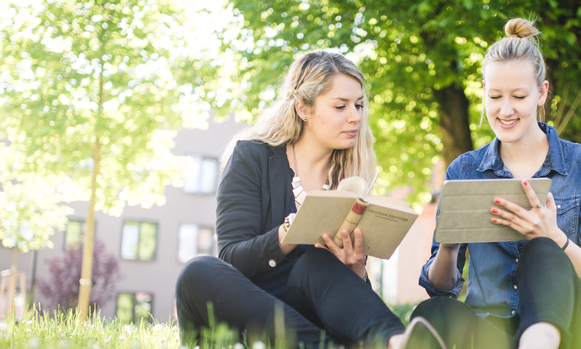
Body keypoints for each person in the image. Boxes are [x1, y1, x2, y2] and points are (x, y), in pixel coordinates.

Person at [175, 50, 444, 349]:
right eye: (341, 106)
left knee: (316, 262)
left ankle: (394, 341)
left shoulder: (351, 180)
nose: (355, 116)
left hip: (313, 317)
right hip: (250, 317)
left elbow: (346, 302)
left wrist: (355, 269)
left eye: (358, 105)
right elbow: (232, 259)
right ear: (303, 108)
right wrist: (291, 230)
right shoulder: (252, 156)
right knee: (198, 271)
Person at [415, 19, 581, 349]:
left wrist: (555, 237)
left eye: (519, 96)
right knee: (433, 310)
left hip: (571, 333)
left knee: (544, 248)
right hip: (493, 334)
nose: (505, 109)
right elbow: (441, 287)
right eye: (495, 96)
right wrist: (450, 247)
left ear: (541, 93)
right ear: (483, 91)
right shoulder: (464, 169)